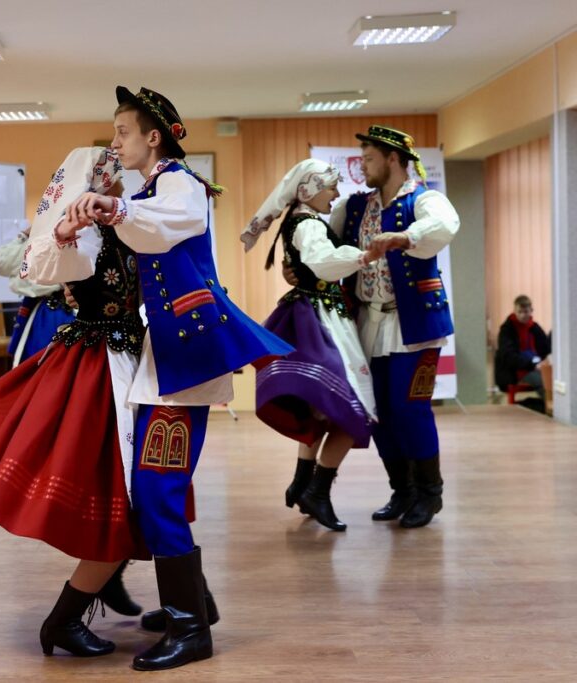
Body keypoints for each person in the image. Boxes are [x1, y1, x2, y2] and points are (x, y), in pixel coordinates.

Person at [65, 86, 293, 671]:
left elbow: (166, 224)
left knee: (159, 490)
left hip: (186, 357)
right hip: (166, 354)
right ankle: (196, 604)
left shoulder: (180, 183)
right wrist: (109, 207)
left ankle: (192, 630)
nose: (115, 142)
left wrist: (114, 208)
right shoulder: (150, 185)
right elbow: (142, 230)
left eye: (122, 132)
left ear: (153, 137)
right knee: (157, 488)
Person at [0, 147, 144, 660]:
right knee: (119, 477)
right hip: (98, 365)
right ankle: (65, 619)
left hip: (125, 359)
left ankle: (108, 578)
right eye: (106, 175)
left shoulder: (128, 222)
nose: (115, 182)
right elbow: (42, 265)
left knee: (128, 479)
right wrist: (65, 235)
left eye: (116, 175)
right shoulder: (82, 229)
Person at [241, 159, 379, 531]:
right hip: (320, 319)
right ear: (309, 190)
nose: (336, 193)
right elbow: (320, 262)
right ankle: (317, 489)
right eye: (330, 187)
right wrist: (363, 255)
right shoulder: (307, 226)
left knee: (322, 405)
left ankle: (304, 481)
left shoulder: (301, 221)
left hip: (312, 313)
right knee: (352, 411)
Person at [335, 125, 460, 529]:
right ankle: (402, 490)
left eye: (369, 158)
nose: (363, 166)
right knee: (380, 413)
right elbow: (324, 241)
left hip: (415, 325)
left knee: (411, 409)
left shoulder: (424, 199)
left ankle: (430, 494)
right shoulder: (357, 206)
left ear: (392, 159)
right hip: (367, 320)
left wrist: (404, 237)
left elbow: (443, 226)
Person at [0, 224, 76, 367]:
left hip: (67, 312)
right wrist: (26, 234)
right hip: (45, 311)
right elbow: (0, 263)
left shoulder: (80, 233)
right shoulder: (42, 234)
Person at [494, 295, 551, 404]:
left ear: (531, 311)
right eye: (519, 312)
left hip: (537, 366)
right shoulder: (507, 330)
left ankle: (551, 409)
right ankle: (551, 410)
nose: (522, 315)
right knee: (544, 382)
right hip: (517, 370)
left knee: (554, 379)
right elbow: (509, 356)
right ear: (514, 311)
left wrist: (544, 362)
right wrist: (533, 364)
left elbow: (546, 349)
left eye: (525, 312)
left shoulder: (535, 328)